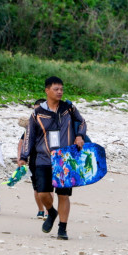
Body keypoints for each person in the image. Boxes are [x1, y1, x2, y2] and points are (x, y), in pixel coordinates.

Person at [18, 76, 87, 240]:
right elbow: (29, 136)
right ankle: (51, 212)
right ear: (47, 90)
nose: (60, 92)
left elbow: (82, 122)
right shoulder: (37, 114)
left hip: (65, 159)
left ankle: (62, 229)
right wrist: (23, 156)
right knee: (43, 193)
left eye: (61, 89)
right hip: (43, 158)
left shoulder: (68, 108)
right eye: (56, 89)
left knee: (63, 195)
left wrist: (79, 135)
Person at [17, 118, 45, 218]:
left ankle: (48, 210)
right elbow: (21, 143)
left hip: (47, 160)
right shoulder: (30, 129)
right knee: (37, 187)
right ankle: (41, 210)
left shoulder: (51, 126)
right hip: (33, 161)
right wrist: (20, 158)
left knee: (48, 187)